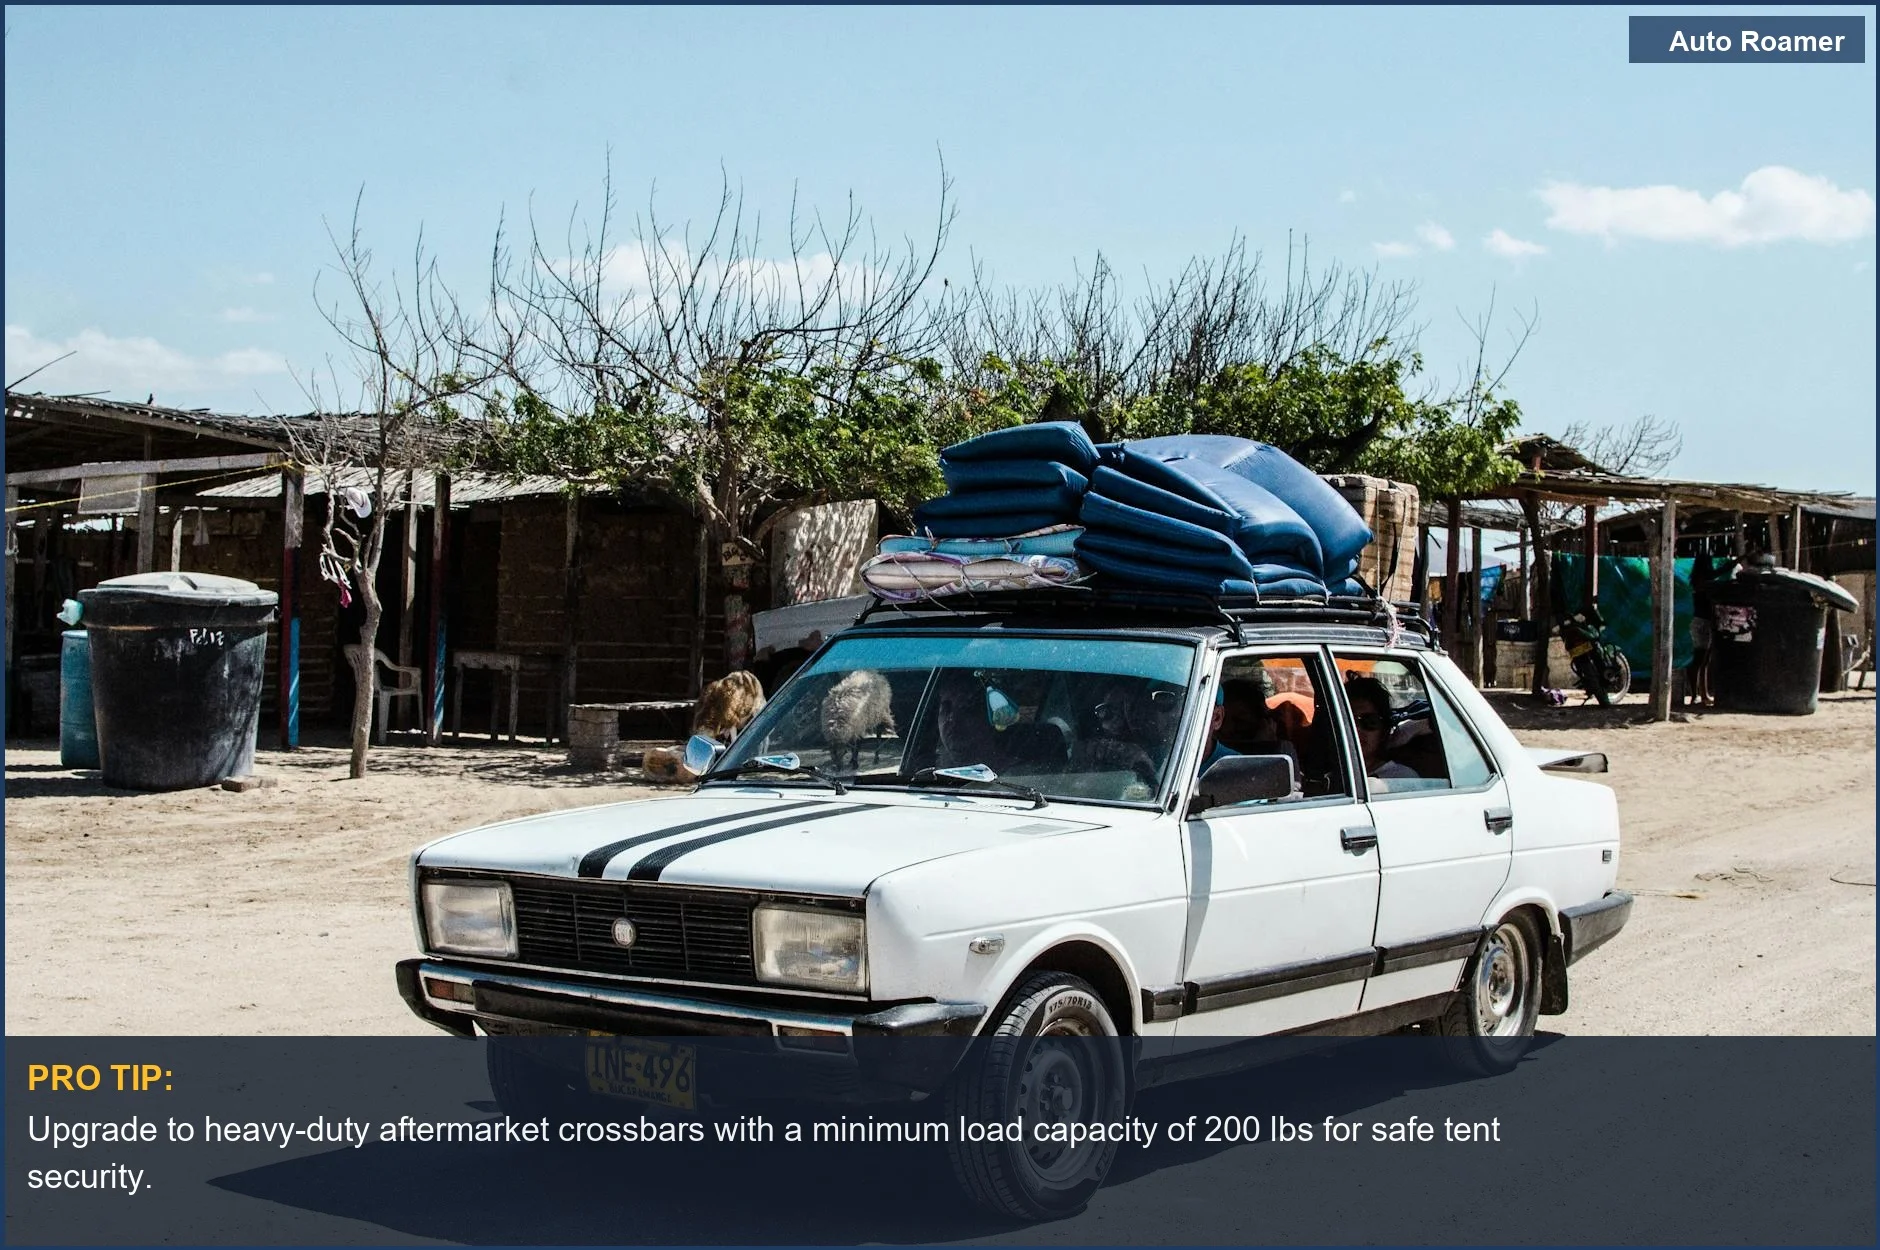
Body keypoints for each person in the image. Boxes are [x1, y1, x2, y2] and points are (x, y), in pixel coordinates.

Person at [1344, 675, 1419, 780]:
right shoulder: (1322, 774)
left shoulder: (1401, 779)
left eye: (1369, 721)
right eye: (1348, 721)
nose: (1356, 729)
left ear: (1384, 731)